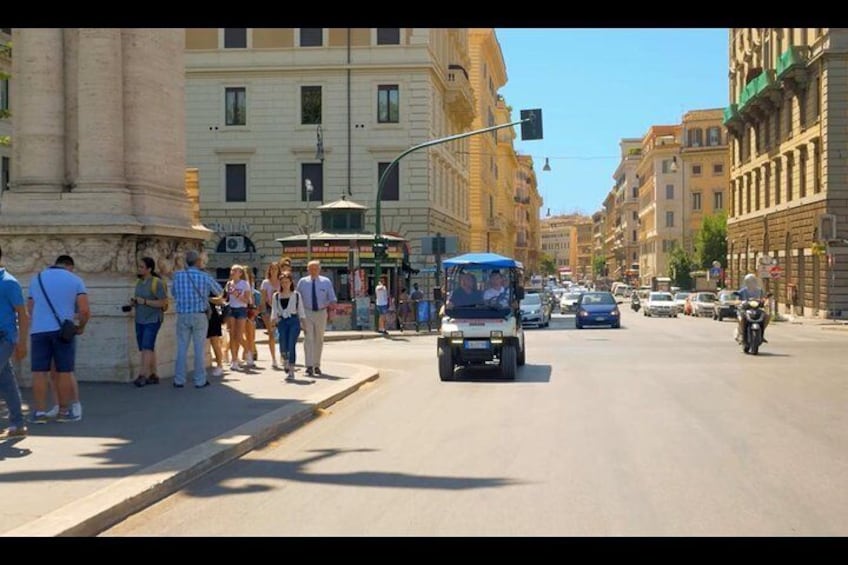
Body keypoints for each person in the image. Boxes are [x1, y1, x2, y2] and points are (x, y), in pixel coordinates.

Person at [28, 255, 90, 422]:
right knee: (64, 371)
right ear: (69, 266)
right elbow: (84, 310)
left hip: (39, 330)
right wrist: (80, 327)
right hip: (63, 331)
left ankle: (40, 413)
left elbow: (31, 307)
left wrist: (40, 320)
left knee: (39, 372)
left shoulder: (36, 279)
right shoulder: (75, 280)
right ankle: (63, 412)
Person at [170, 250, 223, 388]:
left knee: (182, 347)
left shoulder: (177, 276)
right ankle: (200, 380)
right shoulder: (204, 276)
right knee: (199, 348)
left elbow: (174, 293)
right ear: (198, 262)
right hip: (199, 314)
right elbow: (219, 291)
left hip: (183, 314)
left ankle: (179, 379)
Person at [0, 244, 30, 438]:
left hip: (4, 338)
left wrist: (22, 342)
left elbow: (22, 314)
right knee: (7, 381)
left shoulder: (9, 283)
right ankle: (18, 424)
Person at [131, 257, 168, 387]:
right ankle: (153, 374)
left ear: (149, 269)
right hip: (140, 318)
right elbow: (139, 299)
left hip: (153, 318)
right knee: (147, 347)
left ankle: (143, 374)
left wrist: (145, 302)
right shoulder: (139, 282)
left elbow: (163, 302)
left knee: (146, 346)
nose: (139, 269)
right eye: (139, 266)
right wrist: (134, 303)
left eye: (141, 267)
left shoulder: (157, 283)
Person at [296, 260, 337, 377]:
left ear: (319, 269)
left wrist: (332, 308)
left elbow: (332, 298)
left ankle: (316, 364)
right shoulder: (302, 282)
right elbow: (297, 298)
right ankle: (309, 366)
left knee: (319, 339)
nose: (313, 271)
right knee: (308, 338)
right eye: (311, 269)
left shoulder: (326, 282)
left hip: (321, 312)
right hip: (307, 312)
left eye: (316, 268)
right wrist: (298, 314)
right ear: (308, 270)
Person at [271, 271, 305, 379]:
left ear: (291, 282)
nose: (285, 284)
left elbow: (301, 310)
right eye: (283, 282)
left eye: (287, 282)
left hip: (293, 321)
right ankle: (285, 360)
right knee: (282, 344)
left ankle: (291, 369)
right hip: (282, 322)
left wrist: (304, 324)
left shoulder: (296, 295)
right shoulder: (276, 296)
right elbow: (274, 311)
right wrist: (273, 322)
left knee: (291, 344)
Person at [224, 264, 251, 372]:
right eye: (232, 270)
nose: (233, 272)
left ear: (240, 273)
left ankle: (248, 351)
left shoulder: (244, 284)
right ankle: (234, 360)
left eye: (235, 271)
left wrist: (236, 293)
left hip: (241, 309)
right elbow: (226, 298)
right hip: (231, 309)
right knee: (232, 335)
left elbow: (246, 300)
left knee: (239, 336)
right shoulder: (229, 284)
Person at [260, 261, 282, 369]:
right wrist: (263, 312)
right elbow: (263, 299)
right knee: (272, 334)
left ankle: (283, 355)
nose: (274, 271)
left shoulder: (282, 282)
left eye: (276, 269)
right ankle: (273, 359)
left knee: (282, 334)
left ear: (279, 270)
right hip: (269, 310)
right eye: (272, 269)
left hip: (281, 310)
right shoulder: (265, 283)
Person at [736, 273, 769, 343]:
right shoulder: (743, 291)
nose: (751, 283)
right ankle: (742, 334)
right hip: (745, 309)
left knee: (767, 316)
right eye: (749, 281)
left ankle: (762, 334)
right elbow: (737, 299)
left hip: (757, 309)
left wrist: (765, 302)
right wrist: (739, 302)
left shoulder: (759, 290)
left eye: (753, 281)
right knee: (741, 318)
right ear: (746, 282)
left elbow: (764, 298)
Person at [206, 289, 227, 378]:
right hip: (202, 316)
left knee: (215, 342)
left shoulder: (209, 287)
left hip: (212, 317)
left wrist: (207, 299)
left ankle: (219, 365)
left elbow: (220, 300)